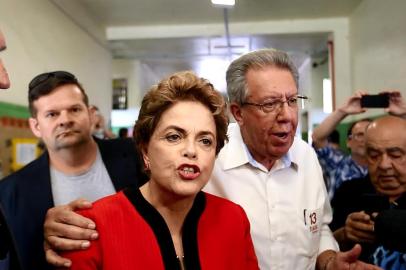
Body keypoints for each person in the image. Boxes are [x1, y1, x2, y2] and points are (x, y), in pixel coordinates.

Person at [59, 71, 259, 269]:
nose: (191, 151)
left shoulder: (233, 220)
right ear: (145, 148)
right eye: (174, 137)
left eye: (205, 141)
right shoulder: (89, 227)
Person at [203, 48, 380, 270]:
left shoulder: (306, 155)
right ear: (238, 113)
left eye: (293, 100)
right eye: (269, 104)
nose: (287, 115)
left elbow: (320, 228)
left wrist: (329, 262)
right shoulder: (209, 157)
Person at [0, 71, 146, 270]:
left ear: (91, 114)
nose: (65, 120)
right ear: (35, 126)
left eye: (74, 109)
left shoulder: (136, 155)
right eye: (52, 114)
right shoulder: (11, 193)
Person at [330, 115, 406, 267]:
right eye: (374, 155)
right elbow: (324, 247)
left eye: (395, 155)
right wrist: (345, 234)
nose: (384, 165)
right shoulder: (349, 191)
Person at [312, 91, 371, 200]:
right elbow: (317, 137)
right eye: (359, 135)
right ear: (349, 141)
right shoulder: (338, 164)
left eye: (369, 134)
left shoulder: (381, 167)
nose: (364, 139)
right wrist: (342, 111)